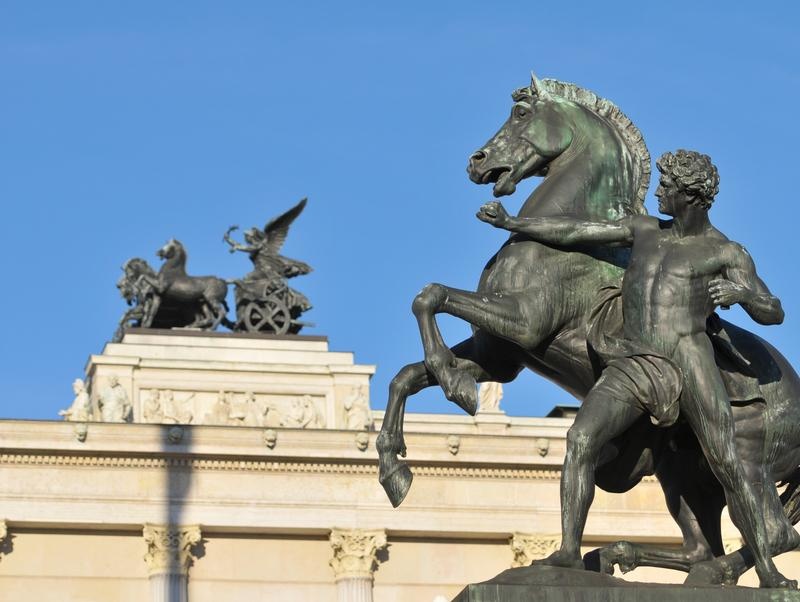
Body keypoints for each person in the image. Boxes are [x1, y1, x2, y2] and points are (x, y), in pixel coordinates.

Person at [477, 149, 792, 588]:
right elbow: (577, 231)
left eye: (667, 186)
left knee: (727, 463)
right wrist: (514, 223)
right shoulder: (646, 230)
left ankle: (768, 571)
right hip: (636, 362)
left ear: (691, 195)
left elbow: (772, 310)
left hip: (690, 361)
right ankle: (569, 551)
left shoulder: (724, 251)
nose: (658, 192)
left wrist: (743, 296)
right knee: (581, 438)